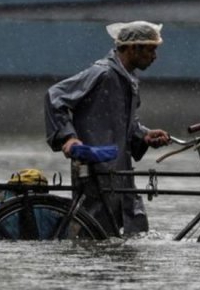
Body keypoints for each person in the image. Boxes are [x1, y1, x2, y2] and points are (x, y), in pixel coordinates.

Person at [44, 21, 170, 237]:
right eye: (150, 50)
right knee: (94, 231)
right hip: (96, 169)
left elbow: (125, 125)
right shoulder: (102, 73)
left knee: (132, 231)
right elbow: (55, 96)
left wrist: (145, 135)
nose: (155, 56)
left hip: (120, 170)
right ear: (132, 48)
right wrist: (69, 137)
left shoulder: (129, 80)